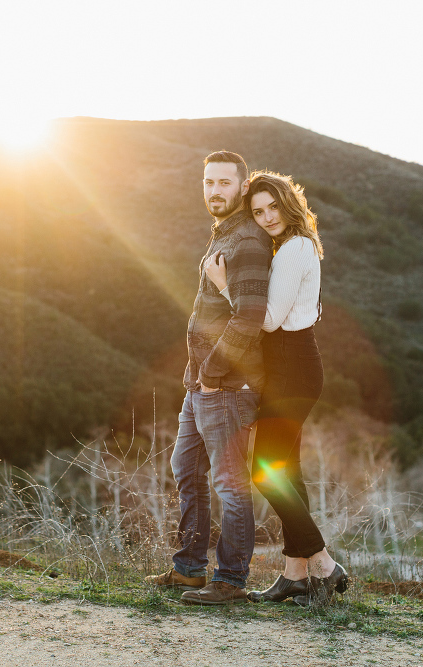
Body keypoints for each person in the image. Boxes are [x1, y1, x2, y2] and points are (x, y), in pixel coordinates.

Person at [204, 170, 348, 606]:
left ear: (289, 204)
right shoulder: (289, 247)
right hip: (287, 366)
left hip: (294, 367)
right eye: (258, 211)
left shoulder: (295, 248)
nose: (266, 217)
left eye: (272, 208)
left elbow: (266, 319)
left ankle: (323, 563)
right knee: (288, 471)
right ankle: (295, 574)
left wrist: (225, 286)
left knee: (265, 472)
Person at [144, 151, 272, 605]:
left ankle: (232, 581)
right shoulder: (224, 233)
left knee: (230, 484)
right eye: (208, 182)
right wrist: (197, 375)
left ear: (241, 186)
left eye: (223, 182)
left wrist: (214, 372)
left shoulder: (249, 242)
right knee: (186, 469)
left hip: (227, 387)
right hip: (199, 384)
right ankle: (190, 569)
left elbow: (250, 318)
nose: (214, 190)